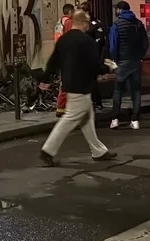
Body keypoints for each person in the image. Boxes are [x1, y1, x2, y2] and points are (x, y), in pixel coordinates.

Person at [38, 10, 115, 166]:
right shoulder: (87, 41)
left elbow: (53, 62)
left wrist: (46, 78)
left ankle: (99, 151)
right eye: (87, 23)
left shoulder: (63, 40)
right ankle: (47, 150)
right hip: (82, 86)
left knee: (87, 120)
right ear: (82, 23)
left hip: (69, 84)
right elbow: (94, 64)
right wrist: (108, 69)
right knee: (70, 119)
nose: (88, 27)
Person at [108, 0, 149, 130]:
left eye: (117, 9)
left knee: (118, 90)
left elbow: (113, 45)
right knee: (136, 91)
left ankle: (115, 119)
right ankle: (135, 120)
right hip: (136, 61)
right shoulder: (138, 24)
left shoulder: (117, 25)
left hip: (122, 61)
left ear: (119, 10)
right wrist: (140, 56)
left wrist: (115, 59)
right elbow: (145, 43)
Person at [79, 1, 109, 110]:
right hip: (84, 56)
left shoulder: (95, 25)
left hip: (93, 56)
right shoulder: (82, 25)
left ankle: (96, 101)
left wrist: (100, 59)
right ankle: (93, 101)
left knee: (91, 80)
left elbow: (100, 43)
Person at [54, 3, 75, 117]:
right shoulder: (69, 23)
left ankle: (62, 108)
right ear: (70, 12)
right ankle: (62, 108)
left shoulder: (60, 22)